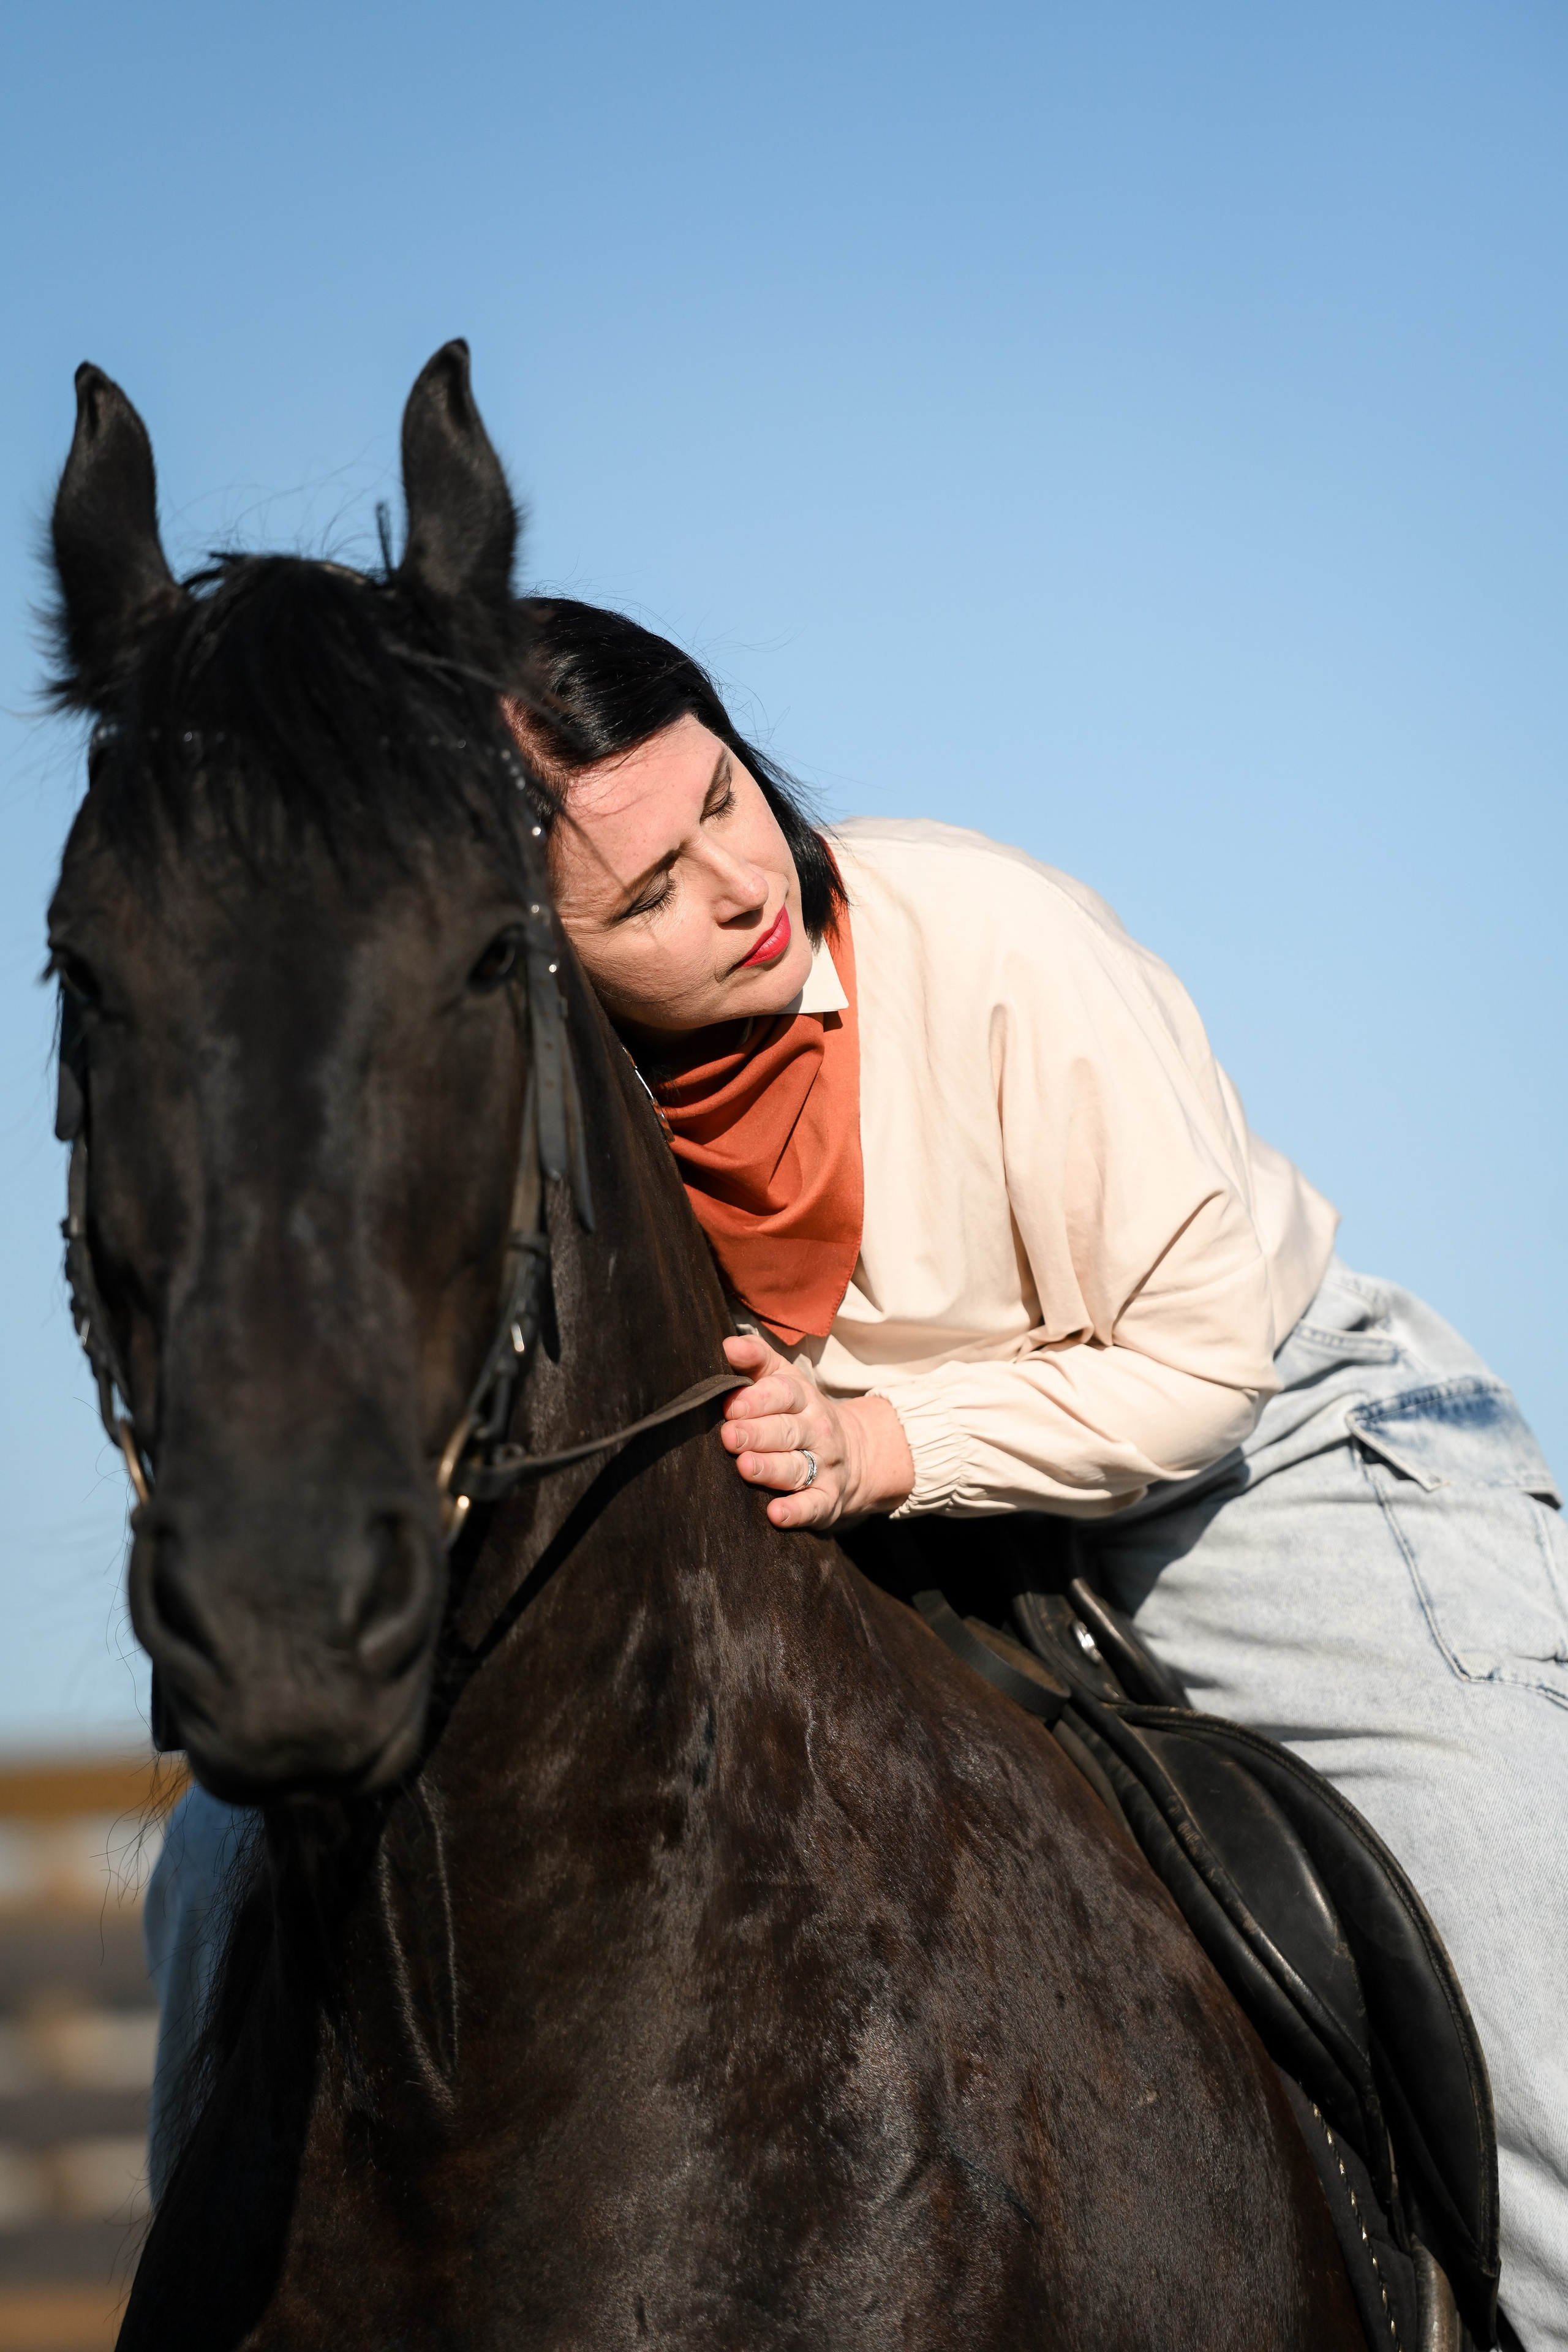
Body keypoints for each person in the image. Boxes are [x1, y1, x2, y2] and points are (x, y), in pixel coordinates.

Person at [147, 598, 1566, 2348]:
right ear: (538, 949)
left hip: (1244, 1442)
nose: (739, 889)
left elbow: (1198, 1360)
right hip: (834, 1499)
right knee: (217, 1859)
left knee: (1524, 1937)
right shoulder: (542, 1091)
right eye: (645, 897)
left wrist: (894, 1443)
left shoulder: (986, 929)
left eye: (723, 801)